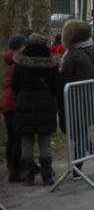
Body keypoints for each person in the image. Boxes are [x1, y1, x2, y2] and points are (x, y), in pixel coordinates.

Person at [59, 20, 94, 178]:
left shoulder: (73, 55)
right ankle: (93, 151)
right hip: (92, 99)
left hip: (75, 100)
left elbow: (63, 80)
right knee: (80, 133)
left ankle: (77, 169)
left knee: (78, 132)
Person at [11, 33, 60, 186]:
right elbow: (56, 86)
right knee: (44, 140)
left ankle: (28, 175)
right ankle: (47, 175)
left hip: (24, 103)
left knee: (27, 140)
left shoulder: (21, 64)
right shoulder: (50, 64)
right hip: (45, 103)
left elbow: (14, 85)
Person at [0, 34, 27, 182]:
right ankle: (15, 167)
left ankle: (11, 164)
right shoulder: (18, 63)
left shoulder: (11, 61)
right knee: (18, 136)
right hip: (13, 103)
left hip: (7, 103)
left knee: (12, 136)